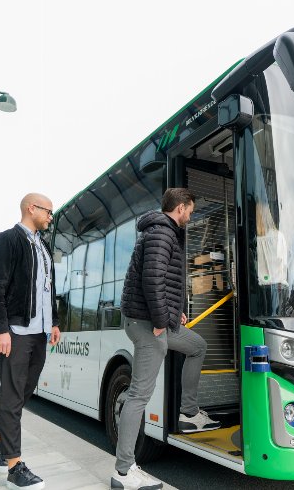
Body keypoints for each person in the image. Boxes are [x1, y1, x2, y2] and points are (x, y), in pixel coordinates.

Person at [111, 188, 221, 490]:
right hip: (148, 324)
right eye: (191, 210)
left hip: (156, 320)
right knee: (138, 396)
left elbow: (162, 280)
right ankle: (123, 472)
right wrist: (162, 321)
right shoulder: (161, 233)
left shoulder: (165, 232)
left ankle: (188, 412)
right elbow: (152, 279)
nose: (192, 215)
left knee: (197, 346)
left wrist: (174, 315)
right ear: (181, 208)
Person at [0, 192, 61, 490]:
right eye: (49, 212)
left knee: (24, 391)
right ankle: (14, 466)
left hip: (39, 332)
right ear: (31, 208)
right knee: (12, 395)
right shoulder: (6, 240)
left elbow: (48, 289)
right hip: (15, 331)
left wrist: (53, 321)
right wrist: (0, 329)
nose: (51, 217)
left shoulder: (43, 247)